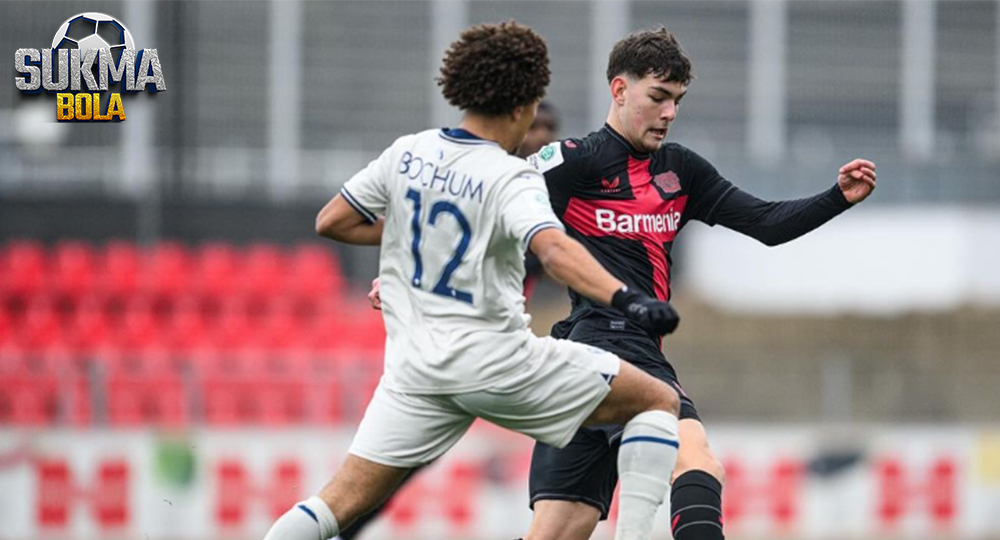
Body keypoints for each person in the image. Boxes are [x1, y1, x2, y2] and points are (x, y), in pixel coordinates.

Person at [262, 21, 686, 540]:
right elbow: (553, 250)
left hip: (415, 375)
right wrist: (627, 298)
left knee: (334, 505)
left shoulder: (408, 152)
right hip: (496, 364)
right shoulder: (510, 176)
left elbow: (333, 220)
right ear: (520, 106)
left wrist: (409, 240)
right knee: (658, 400)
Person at [518, 27, 877, 540]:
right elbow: (494, 211)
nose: (669, 113)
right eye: (658, 97)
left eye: (678, 101)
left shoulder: (680, 171)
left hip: (589, 358)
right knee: (698, 462)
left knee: (558, 528)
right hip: (609, 343)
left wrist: (836, 197)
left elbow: (767, 223)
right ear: (619, 90)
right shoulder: (572, 160)